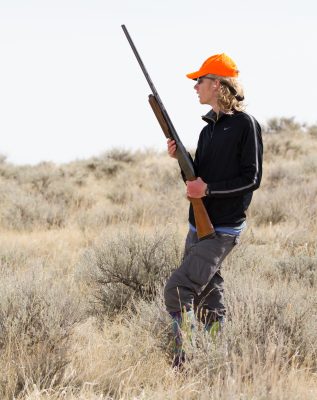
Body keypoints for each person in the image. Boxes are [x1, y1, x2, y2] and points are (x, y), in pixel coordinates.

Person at [164, 53, 263, 368]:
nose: (195, 87)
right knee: (209, 296)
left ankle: (185, 359)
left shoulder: (245, 125)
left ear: (218, 84)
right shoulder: (208, 130)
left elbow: (252, 178)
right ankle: (217, 357)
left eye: (200, 80)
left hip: (222, 230)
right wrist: (181, 159)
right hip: (198, 227)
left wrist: (207, 190)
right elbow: (196, 181)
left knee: (177, 289)